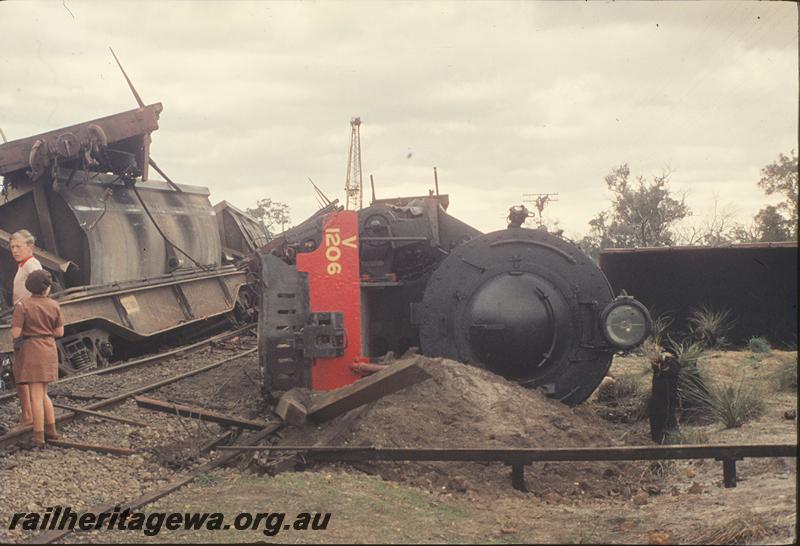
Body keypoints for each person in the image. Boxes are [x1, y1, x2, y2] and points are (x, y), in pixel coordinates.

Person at [11, 269, 63, 446]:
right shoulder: (55, 305)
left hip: (32, 350)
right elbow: (59, 332)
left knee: (35, 396)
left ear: (28, 287)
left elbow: (16, 332)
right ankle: (52, 431)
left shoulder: (22, 305)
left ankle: (38, 436)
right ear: (47, 288)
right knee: (43, 393)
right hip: (49, 348)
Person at [9, 229, 42, 429]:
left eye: (18, 246)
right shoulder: (24, 265)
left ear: (30, 247)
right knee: (20, 369)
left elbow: (43, 290)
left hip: (26, 324)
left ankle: (29, 416)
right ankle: (28, 414)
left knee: (22, 370)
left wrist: (27, 310)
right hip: (22, 320)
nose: (14, 250)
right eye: (12, 247)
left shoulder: (32, 265)